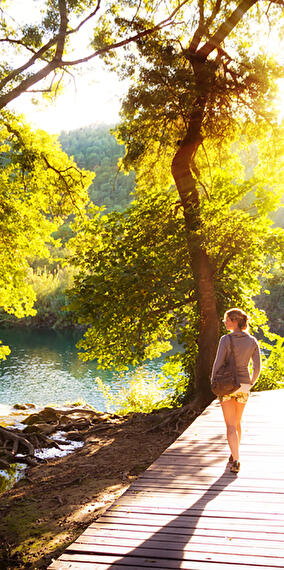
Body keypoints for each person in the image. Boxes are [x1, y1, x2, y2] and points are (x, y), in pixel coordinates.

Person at [211, 308, 261, 473]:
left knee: (230, 425)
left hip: (227, 386)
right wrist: (250, 383)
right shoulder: (252, 341)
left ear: (234, 321)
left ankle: (236, 459)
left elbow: (218, 363)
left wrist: (213, 381)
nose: (224, 322)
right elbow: (257, 367)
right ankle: (234, 454)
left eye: (226, 320)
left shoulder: (225, 339)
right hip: (244, 386)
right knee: (237, 422)